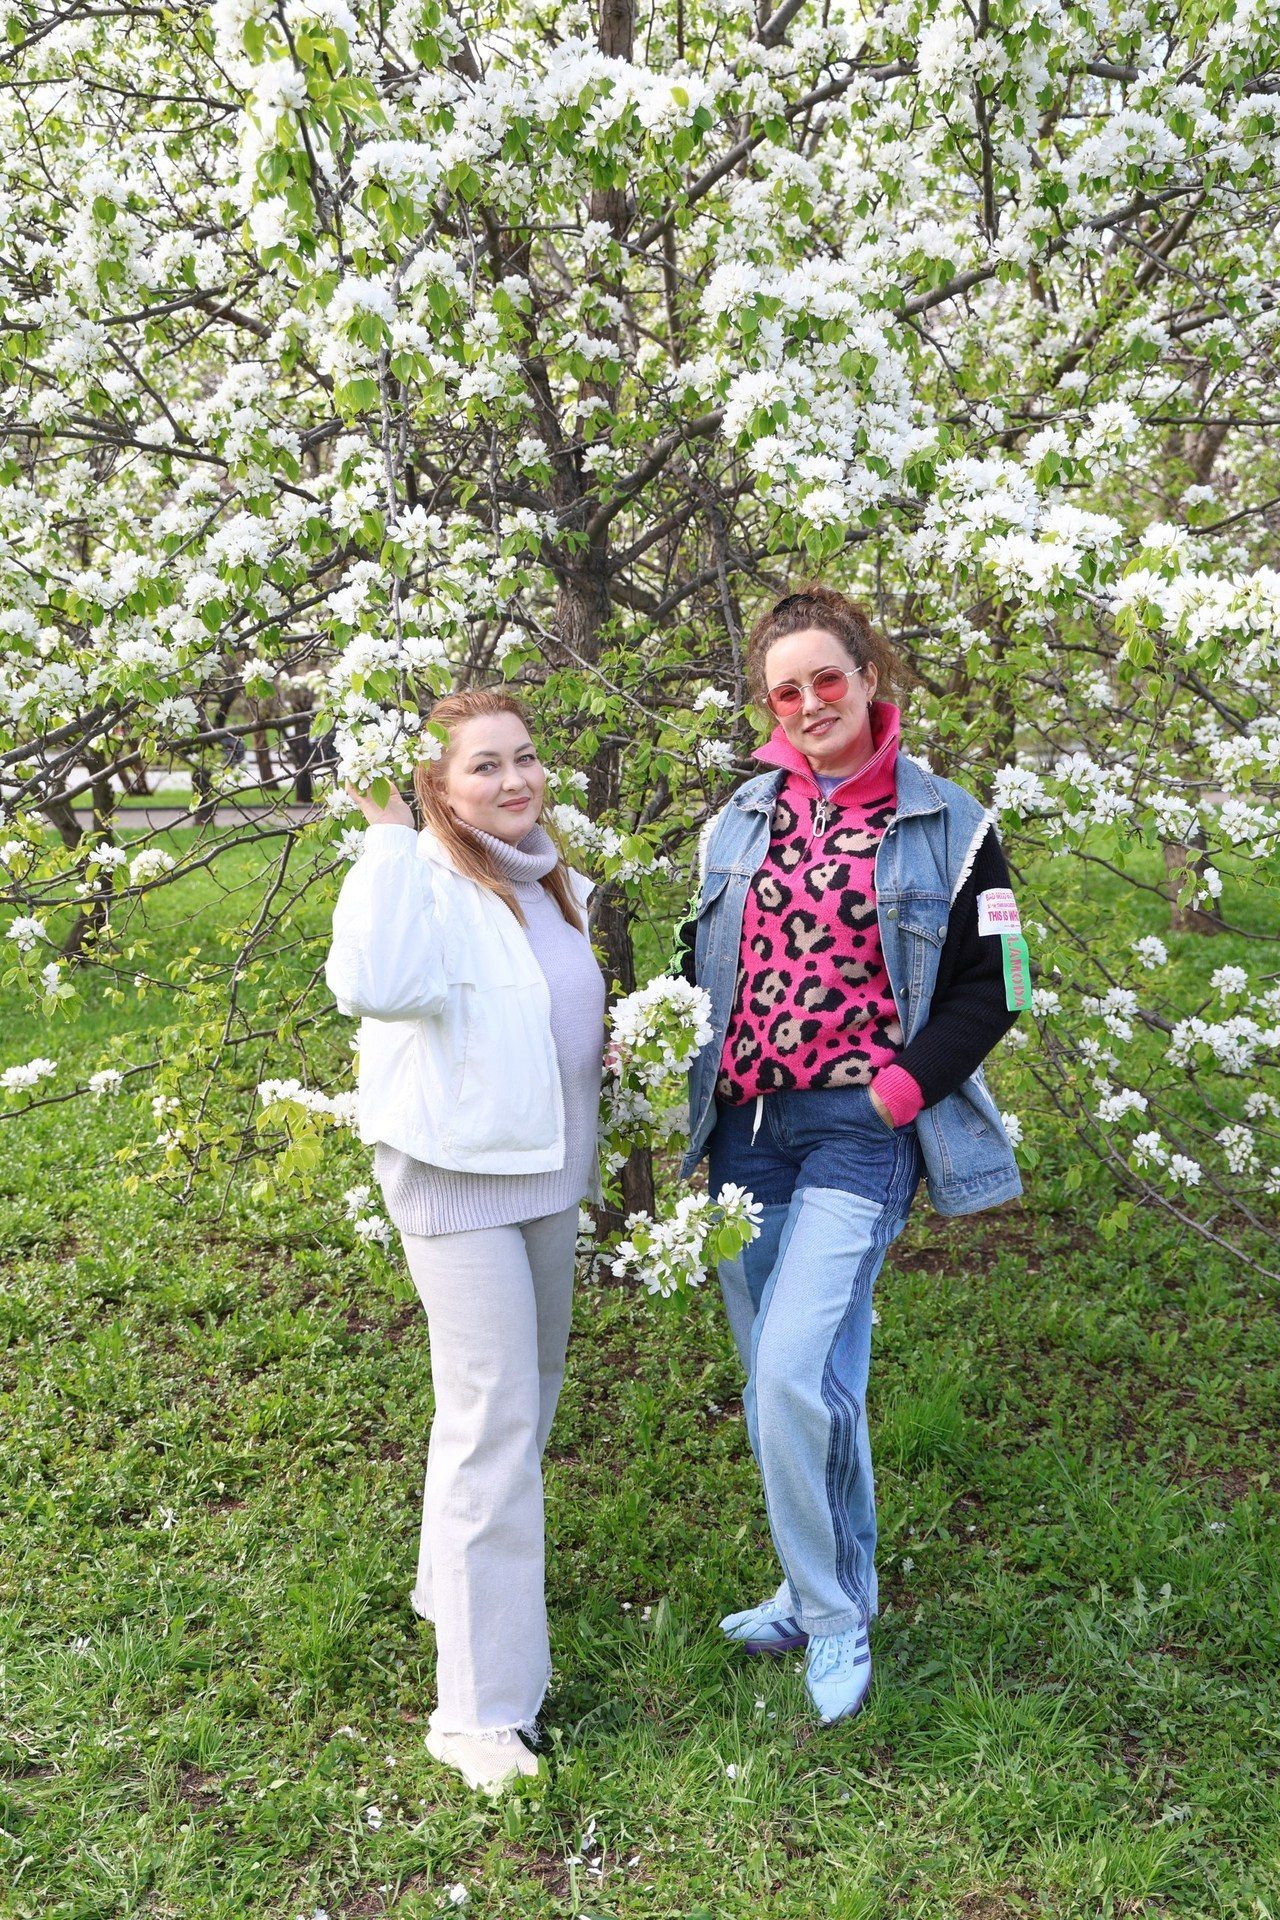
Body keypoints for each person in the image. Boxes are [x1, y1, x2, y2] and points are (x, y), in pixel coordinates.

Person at [679, 586, 1025, 1725]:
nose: (809, 702)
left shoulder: (952, 825)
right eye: (786, 689)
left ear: (868, 677)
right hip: (746, 1130)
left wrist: (898, 1087)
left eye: (828, 677)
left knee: (792, 1372)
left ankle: (832, 1621)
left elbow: (999, 989)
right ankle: (812, 1585)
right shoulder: (737, 816)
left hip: (857, 1132)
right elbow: (706, 965)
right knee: (796, 1379)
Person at [325, 688, 605, 1792]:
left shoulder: (550, 878)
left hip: (542, 1169)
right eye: (482, 766)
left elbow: (534, 1008)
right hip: (457, 1180)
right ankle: (478, 1709)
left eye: (525, 757)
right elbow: (373, 985)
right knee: (495, 1417)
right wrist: (387, 839)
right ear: (435, 786)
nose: (514, 780)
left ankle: (453, 1585)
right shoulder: (423, 878)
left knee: (516, 1398)